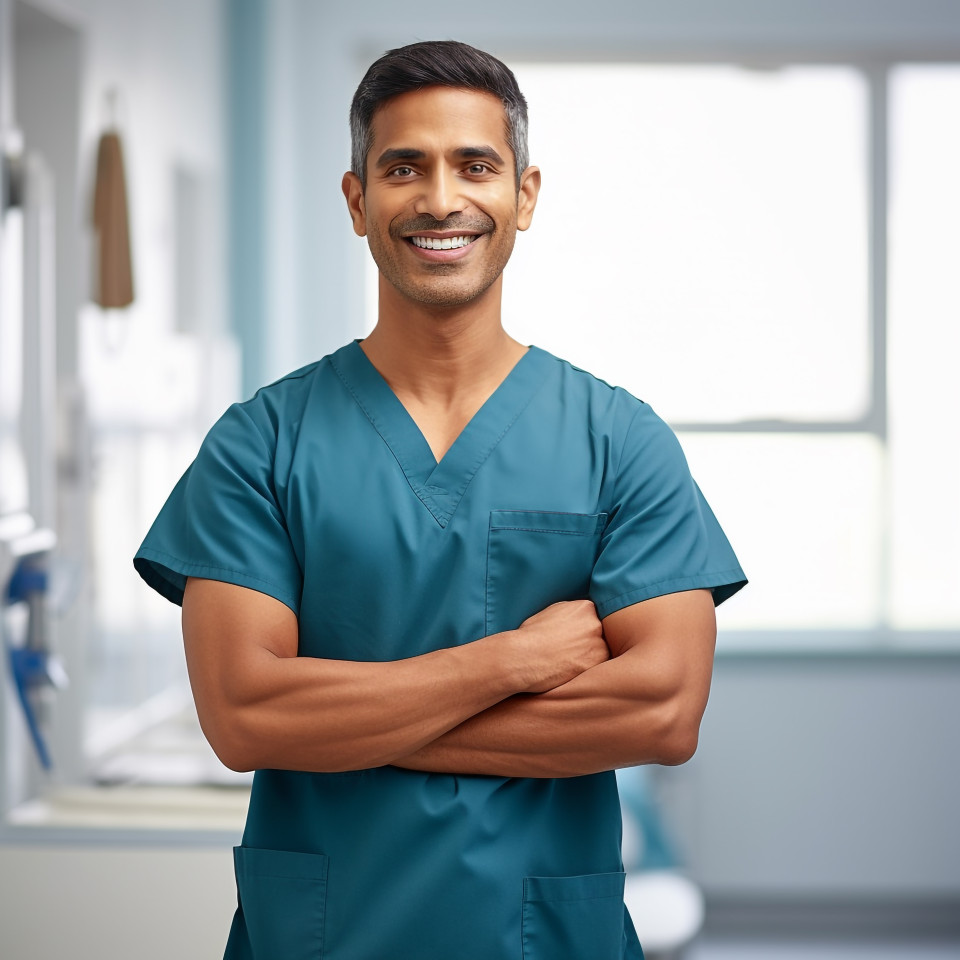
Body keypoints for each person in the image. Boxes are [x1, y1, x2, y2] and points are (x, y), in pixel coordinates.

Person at [134, 39, 746, 960]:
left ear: (524, 196)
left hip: (541, 939)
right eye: (402, 167)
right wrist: (510, 662)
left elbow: (661, 712)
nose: (440, 199)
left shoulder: (619, 441)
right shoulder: (261, 444)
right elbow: (245, 716)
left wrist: (355, 728)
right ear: (357, 201)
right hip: (324, 937)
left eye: (476, 165)